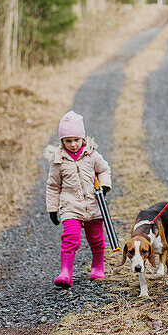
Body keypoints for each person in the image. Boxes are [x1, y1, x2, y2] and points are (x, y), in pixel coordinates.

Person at [46, 111, 112, 288]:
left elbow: (104, 170)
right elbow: (53, 186)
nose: (73, 144)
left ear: (83, 138)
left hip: (93, 205)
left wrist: (104, 186)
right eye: (68, 141)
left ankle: (97, 266)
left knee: (96, 238)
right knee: (70, 238)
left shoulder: (92, 155)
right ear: (62, 142)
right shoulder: (58, 161)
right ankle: (65, 272)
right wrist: (52, 209)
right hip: (71, 207)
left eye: (76, 140)